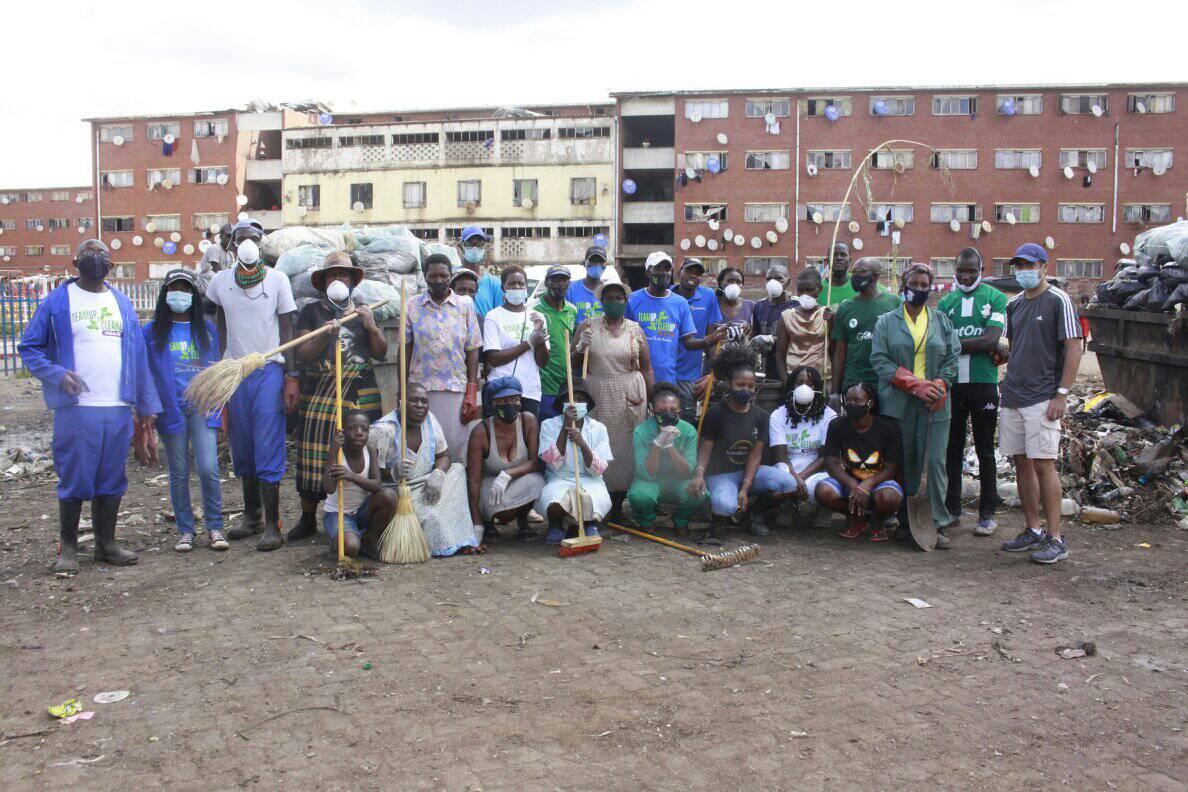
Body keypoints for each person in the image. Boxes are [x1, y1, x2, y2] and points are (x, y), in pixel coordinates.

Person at [19, 239, 161, 573]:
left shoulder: (121, 303)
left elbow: (138, 356)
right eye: (88, 254)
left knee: (112, 477)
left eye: (101, 255)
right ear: (75, 263)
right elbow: (30, 348)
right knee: (75, 475)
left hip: (117, 405)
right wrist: (57, 375)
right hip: (77, 407)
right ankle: (68, 548)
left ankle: (106, 544)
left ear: (111, 266)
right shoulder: (57, 302)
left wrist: (146, 405)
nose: (95, 259)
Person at [203, 220, 299, 551]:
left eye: (253, 238)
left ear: (261, 243)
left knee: (268, 442)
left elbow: (288, 329)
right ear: (231, 245)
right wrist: (219, 366)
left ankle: (273, 525)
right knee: (241, 444)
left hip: (268, 369)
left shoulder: (277, 279)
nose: (247, 243)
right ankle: (252, 515)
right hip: (234, 372)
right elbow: (219, 322)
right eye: (241, 238)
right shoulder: (220, 281)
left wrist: (291, 376)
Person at [289, 254, 388, 541]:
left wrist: (371, 326)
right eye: (332, 275)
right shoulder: (311, 312)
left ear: (352, 281)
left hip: (361, 388)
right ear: (323, 283)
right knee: (315, 451)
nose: (337, 280)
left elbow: (381, 353)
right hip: (321, 387)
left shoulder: (364, 311)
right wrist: (324, 335)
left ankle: (360, 512)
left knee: (362, 447)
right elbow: (302, 354)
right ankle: (308, 517)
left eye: (343, 275)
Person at [998, 243, 1083, 565]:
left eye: (1029, 265)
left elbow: (1073, 347)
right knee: (1021, 462)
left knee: (1044, 464)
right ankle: (1033, 529)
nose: (1023, 271)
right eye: (1019, 266)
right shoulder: (1015, 305)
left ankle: (1055, 537)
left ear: (1044, 267)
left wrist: (1061, 394)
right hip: (1014, 395)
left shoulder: (1058, 300)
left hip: (1042, 397)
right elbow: (1015, 346)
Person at [870, 262, 961, 547]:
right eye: (915, 284)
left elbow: (953, 357)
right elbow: (880, 360)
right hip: (900, 402)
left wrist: (940, 385)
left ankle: (937, 522)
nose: (919, 289)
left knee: (934, 462)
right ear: (903, 285)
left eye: (925, 285)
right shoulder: (886, 322)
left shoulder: (941, 321)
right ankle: (906, 521)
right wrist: (914, 384)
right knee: (906, 461)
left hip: (935, 402)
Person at [142, 269, 225, 553]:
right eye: (174, 288)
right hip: (170, 411)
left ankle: (215, 526)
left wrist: (220, 412)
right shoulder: (151, 333)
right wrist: (148, 411)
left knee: (208, 468)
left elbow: (216, 373)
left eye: (186, 289)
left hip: (201, 408)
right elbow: (146, 374)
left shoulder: (207, 331)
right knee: (178, 472)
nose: (180, 294)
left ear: (194, 295)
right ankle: (186, 530)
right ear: (165, 294)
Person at [688, 347, 798, 544]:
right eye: (740, 385)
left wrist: (745, 488)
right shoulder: (716, 413)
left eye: (750, 385)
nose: (746, 390)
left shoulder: (761, 416)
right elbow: (705, 448)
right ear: (729, 384)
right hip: (721, 475)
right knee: (724, 505)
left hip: (748, 473)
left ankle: (754, 514)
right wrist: (699, 474)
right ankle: (719, 520)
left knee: (788, 484)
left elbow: (756, 455)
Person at [937, 248, 1008, 536]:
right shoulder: (946, 302)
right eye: (961, 271)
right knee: (952, 450)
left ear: (982, 269)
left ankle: (987, 514)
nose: (966, 276)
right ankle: (952, 510)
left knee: (985, 449)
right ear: (954, 270)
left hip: (983, 383)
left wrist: (958, 344)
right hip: (953, 384)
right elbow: (938, 342)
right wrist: (981, 343)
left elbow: (991, 339)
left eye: (972, 271)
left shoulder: (996, 298)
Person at [373, 382, 480, 556]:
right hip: (399, 492)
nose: (420, 405)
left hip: (427, 487)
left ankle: (458, 536)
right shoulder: (384, 429)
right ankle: (431, 529)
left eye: (424, 401)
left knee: (458, 470)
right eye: (414, 400)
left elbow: (444, 456)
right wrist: (392, 471)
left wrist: (438, 474)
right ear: (400, 401)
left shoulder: (430, 420)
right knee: (431, 516)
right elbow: (371, 475)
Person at [572, 281, 653, 494]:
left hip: (631, 395)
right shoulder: (587, 327)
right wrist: (580, 346)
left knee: (627, 446)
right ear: (601, 302)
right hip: (598, 394)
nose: (614, 302)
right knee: (597, 442)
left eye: (619, 298)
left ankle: (623, 498)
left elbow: (647, 368)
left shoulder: (636, 329)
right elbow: (571, 363)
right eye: (609, 298)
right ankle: (599, 495)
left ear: (626, 301)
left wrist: (652, 400)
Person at [405, 253, 482, 462]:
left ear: (450, 276)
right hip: (421, 388)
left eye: (444, 276)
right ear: (425, 276)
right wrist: (403, 389)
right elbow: (406, 348)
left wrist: (471, 389)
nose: (438, 280)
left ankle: (453, 483)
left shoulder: (465, 305)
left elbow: (472, 348)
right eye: (433, 276)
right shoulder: (412, 305)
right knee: (425, 447)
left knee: (453, 448)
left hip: (455, 387)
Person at [814, 383, 905, 541]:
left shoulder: (889, 428)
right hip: (848, 481)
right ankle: (856, 518)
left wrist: (868, 484)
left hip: (879, 482)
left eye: (857, 400)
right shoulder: (837, 425)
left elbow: (890, 469)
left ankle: (878, 520)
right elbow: (830, 463)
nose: (852, 404)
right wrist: (851, 484)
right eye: (848, 400)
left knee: (889, 497)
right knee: (823, 491)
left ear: (870, 403)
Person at [465, 376, 546, 543]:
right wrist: (477, 523)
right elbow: (474, 480)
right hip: (489, 485)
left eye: (514, 399)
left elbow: (534, 463)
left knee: (538, 482)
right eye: (503, 400)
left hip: (516, 480)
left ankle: (523, 521)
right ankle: (488, 523)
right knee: (500, 509)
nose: (510, 404)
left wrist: (507, 475)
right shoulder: (481, 432)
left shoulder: (528, 421)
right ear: (493, 403)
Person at [626, 382, 707, 536]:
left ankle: (681, 520)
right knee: (639, 495)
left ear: (680, 411)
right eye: (662, 411)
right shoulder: (642, 431)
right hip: (651, 482)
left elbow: (687, 471)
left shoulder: (688, 431)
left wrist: (670, 446)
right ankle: (646, 520)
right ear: (652, 410)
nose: (668, 414)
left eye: (673, 410)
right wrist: (657, 444)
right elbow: (646, 473)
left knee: (700, 492)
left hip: (677, 481)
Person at [536, 379, 613, 544]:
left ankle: (588, 523)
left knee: (590, 499)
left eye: (580, 399)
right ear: (562, 404)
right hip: (559, 479)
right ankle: (556, 524)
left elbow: (598, 469)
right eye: (570, 400)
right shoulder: (548, 425)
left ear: (586, 404)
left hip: (590, 480)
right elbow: (553, 462)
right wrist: (565, 427)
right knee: (553, 503)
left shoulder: (599, 428)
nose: (575, 404)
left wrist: (582, 443)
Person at [323, 410, 398, 559]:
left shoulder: (370, 450)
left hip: (362, 511)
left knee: (390, 495)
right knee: (351, 547)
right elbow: (329, 489)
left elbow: (376, 486)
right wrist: (333, 450)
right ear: (342, 431)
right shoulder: (338, 453)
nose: (359, 433)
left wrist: (351, 476)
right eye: (352, 428)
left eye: (364, 429)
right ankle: (341, 541)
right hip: (338, 513)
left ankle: (370, 538)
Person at [626, 252, 703, 390]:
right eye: (658, 268)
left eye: (667, 269)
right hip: (636, 378)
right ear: (648, 272)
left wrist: (711, 339)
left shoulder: (680, 303)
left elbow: (689, 341)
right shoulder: (632, 299)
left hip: (667, 378)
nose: (663, 273)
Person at [482, 265, 549, 417]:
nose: (517, 287)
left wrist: (540, 340)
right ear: (503, 288)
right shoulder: (493, 316)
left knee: (529, 431)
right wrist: (529, 343)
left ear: (526, 287)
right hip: (501, 391)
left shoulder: (537, 317)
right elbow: (494, 359)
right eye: (512, 284)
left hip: (529, 391)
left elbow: (543, 362)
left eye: (521, 284)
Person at [767, 365, 837, 510]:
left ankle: (817, 509)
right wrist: (795, 478)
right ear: (792, 386)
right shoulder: (778, 415)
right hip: (787, 469)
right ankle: (785, 506)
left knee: (821, 490)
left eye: (810, 384)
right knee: (781, 486)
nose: (804, 387)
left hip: (816, 471)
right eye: (799, 383)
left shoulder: (829, 416)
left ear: (817, 387)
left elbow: (824, 457)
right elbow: (781, 457)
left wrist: (802, 477)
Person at [831, 257, 901, 398]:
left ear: (875, 276)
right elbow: (840, 352)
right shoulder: (845, 307)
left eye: (861, 271)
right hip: (854, 382)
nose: (855, 275)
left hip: (885, 381)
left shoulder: (894, 303)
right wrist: (835, 393)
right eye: (854, 271)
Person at [672, 258, 727, 422]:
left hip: (689, 374)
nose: (693, 275)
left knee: (686, 421)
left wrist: (712, 374)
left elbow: (711, 340)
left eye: (697, 273)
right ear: (679, 272)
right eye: (689, 271)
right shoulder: (667, 294)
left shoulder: (708, 296)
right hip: (663, 372)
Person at [531, 264, 578, 420]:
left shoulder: (572, 310)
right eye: (555, 280)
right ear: (546, 282)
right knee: (546, 430)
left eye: (564, 280)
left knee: (567, 430)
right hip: (544, 386)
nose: (560, 284)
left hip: (566, 385)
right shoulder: (533, 309)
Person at [775, 268, 830, 386]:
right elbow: (779, 353)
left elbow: (834, 350)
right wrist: (786, 383)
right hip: (794, 379)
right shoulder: (787, 316)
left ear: (820, 289)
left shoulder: (827, 315)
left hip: (822, 379)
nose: (805, 294)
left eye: (810, 290)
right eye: (800, 290)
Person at [751, 264, 797, 379]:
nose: (773, 282)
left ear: (788, 282)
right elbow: (755, 335)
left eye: (778, 278)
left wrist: (772, 339)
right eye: (769, 279)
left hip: (790, 365)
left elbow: (800, 338)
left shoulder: (796, 306)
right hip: (766, 366)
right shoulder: (759, 306)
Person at [457, 226, 502, 320]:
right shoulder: (451, 279)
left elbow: (500, 317)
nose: (474, 248)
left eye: (479, 244)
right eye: (469, 244)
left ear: (484, 248)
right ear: (461, 247)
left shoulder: (494, 284)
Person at [566, 246, 608, 325]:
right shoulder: (571, 289)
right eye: (593, 261)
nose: (597, 265)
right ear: (584, 263)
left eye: (600, 261)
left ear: (606, 265)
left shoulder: (609, 292)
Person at [715, 267, 754, 348]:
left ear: (742, 285)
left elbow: (756, 334)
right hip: (716, 355)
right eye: (730, 281)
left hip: (744, 355)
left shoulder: (751, 306)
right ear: (721, 283)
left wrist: (750, 329)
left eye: (738, 282)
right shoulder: (712, 305)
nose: (734, 285)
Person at [197, 222, 232, 296]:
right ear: (221, 236)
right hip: (207, 290)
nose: (231, 239)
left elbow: (230, 272)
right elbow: (218, 271)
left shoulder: (230, 254)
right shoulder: (215, 248)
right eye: (228, 236)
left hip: (219, 287)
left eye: (233, 237)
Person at [823, 241, 853, 307]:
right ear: (827, 261)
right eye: (834, 255)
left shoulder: (859, 287)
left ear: (850, 260)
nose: (839, 258)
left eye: (843, 255)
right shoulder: (817, 289)